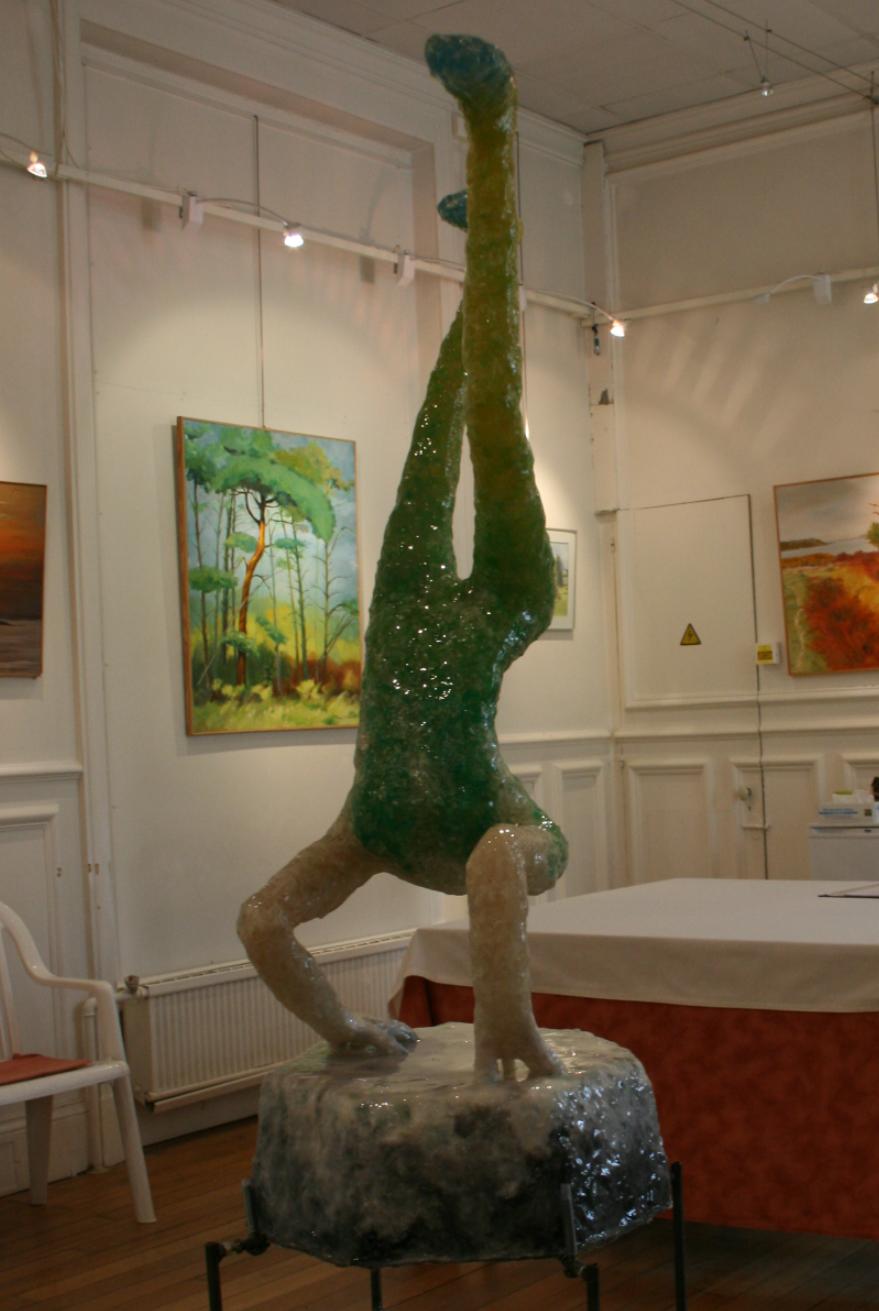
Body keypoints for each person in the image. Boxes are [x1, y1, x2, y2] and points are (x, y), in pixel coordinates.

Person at [238, 34, 568, 1079]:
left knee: (491, 426)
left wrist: (502, 1009)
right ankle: (483, 247)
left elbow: (504, 862)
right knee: (437, 447)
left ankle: (493, 126)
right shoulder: (370, 825)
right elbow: (266, 926)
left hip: (482, 771)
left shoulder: (462, 816)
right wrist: (345, 1029)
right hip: (384, 807)